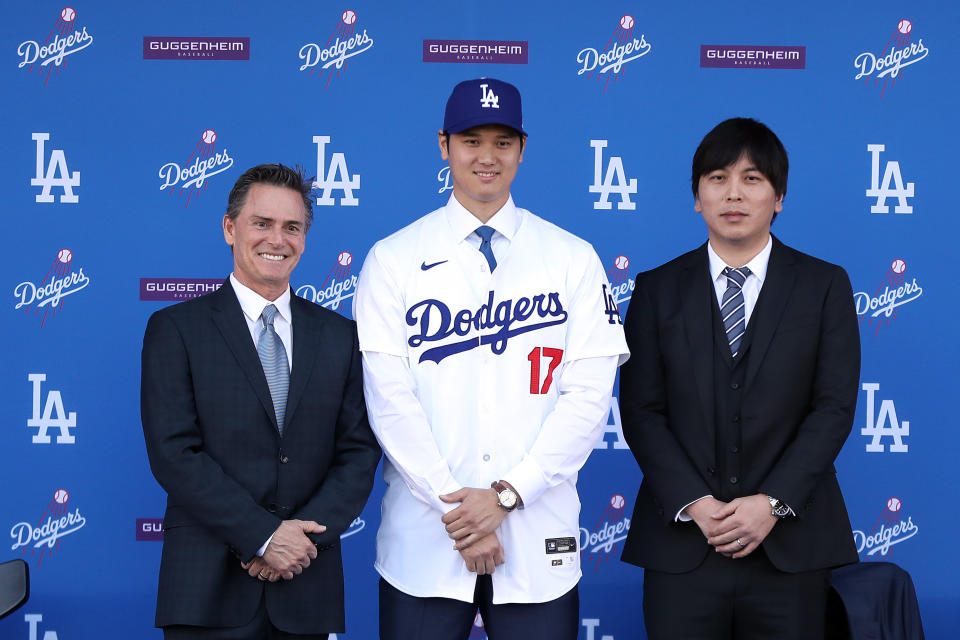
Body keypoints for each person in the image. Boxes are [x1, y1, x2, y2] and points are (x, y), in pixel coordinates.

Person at [354, 78, 629, 640]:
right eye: (470, 139)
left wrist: (506, 496)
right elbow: (389, 401)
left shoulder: (573, 258)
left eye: (503, 141)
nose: (487, 156)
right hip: (426, 540)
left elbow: (587, 400)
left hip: (537, 537)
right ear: (443, 145)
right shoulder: (393, 259)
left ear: (522, 149)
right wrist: (464, 514)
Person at [619, 118, 860, 639]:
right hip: (683, 547)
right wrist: (697, 505)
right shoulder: (656, 289)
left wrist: (772, 502)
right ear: (696, 196)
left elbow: (834, 407)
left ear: (779, 198)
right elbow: (640, 410)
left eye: (752, 179)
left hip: (790, 549)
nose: (733, 193)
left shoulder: (824, 286)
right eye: (717, 178)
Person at [140, 163, 381, 639]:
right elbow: (174, 454)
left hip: (305, 587)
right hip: (206, 592)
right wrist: (264, 536)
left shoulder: (340, 337)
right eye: (262, 223)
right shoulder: (176, 330)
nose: (278, 239)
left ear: (305, 238)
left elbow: (357, 452)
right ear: (230, 229)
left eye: (292, 227)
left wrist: (299, 542)